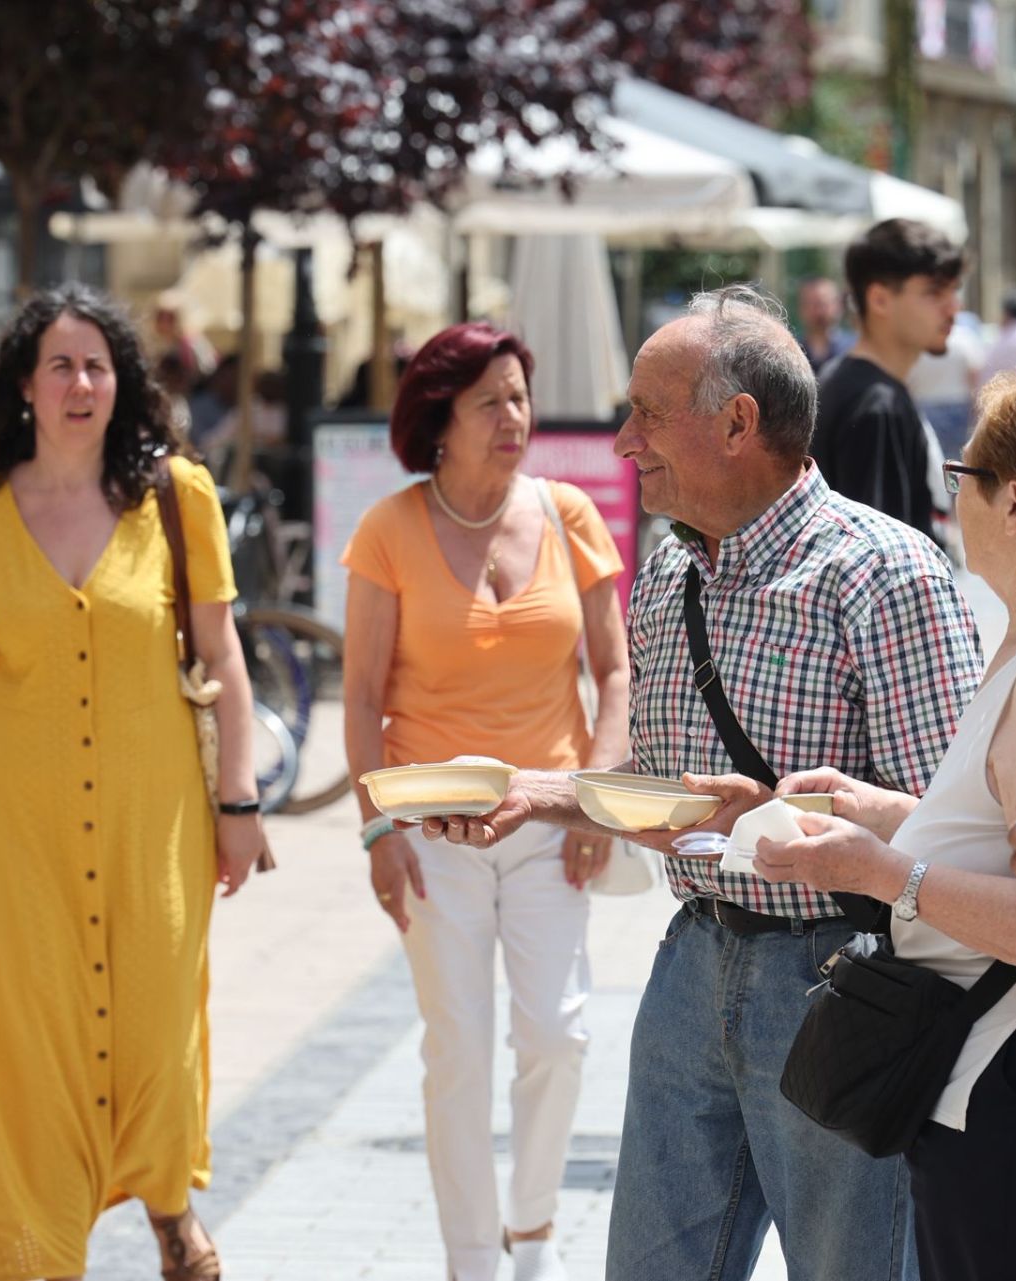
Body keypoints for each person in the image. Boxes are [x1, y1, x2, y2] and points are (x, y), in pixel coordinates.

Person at [425, 284, 982, 1281]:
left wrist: (790, 819)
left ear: (737, 424)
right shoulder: (671, 577)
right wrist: (533, 793)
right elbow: (677, 804)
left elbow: (953, 831)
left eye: (647, 410)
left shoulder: (884, 576)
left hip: (841, 981)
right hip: (692, 969)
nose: (622, 441)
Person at [0, 284, 269, 1281]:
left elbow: (223, 656)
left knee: (156, 1030)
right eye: (61, 364)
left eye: (99, 365)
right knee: (22, 1051)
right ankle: (36, 1253)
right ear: (25, 386)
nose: (81, 382)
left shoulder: (179, 498)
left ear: (122, 385)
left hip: (154, 823)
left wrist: (240, 798)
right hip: (16, 837)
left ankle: (168, 1201)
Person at [754, 353, 1016, 1279]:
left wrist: (883, 871)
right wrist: (881, 812)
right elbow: (1000, 826)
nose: (952, 492)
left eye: (964, 474)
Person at [341, 321, 630, 1281]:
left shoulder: (568, 513)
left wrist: (593, 800)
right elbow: (360, 696)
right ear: (440, 421)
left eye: (519, 396)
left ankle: (534, 1235)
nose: (514, 418)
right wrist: (377, 828)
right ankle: (472, 1261)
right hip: (431, 831)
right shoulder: (388, 530)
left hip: (550, 820)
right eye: (490, 402)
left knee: (558, 1033)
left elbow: (616, 671)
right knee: (457, 1048)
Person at [814, 218, 965, 543]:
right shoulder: (875, 405)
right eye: (934, 292)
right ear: (879, 299)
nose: (954, 307)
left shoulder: (856, 385)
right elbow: (880, 562)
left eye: (954, 290)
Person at [906, 309, 986, 462]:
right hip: (958, 406)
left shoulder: (918, 338)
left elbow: (908, 378)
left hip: (924, 405)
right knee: (958, 459)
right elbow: (974, 373)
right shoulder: (964, 337)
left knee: (931, 458)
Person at [797, 275, 855, 373]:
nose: (819, 311)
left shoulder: (853, 349)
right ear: (801, 308)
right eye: (812, 304)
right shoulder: (794, 351)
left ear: (838, 305)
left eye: (823, 304)